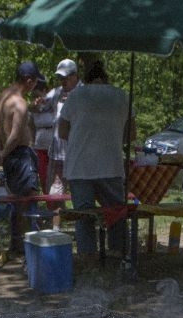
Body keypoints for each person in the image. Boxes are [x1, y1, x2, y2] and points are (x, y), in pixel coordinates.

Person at [57, 59, 135, 256]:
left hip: (80, 167)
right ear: (105, 77)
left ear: (86, 78)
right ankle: (119, 256)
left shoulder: (76, 96)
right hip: (111, 165)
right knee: (116, 214)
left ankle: (88, 260)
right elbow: (131, 134)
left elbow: (63, 132)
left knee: (84, 218)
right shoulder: (121, 96)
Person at [0, 61, 43, 250]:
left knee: (16, 198)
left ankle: (17, 240)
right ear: (28, 80)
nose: (36, 85)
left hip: (10, 155)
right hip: (20, 155)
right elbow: (15, 133)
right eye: (35, 81)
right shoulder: (20, 103)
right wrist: (4, 152)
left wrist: (0, 150)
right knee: (29, 198)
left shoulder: (4, 97)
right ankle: (31, 243)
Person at [47, 58, 80, 196]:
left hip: (77, 154)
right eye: (60, 77)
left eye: (65, 77)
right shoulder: (56, 93)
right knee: (54, 196)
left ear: (75, 76)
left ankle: (80, 218)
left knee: (80, 194)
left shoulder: (83, 93)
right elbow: (38, 106)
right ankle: (56, 217)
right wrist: (36, 104)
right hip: (57, 153)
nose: (63, 81)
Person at [30, 75, 56, 194]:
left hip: (53, 146)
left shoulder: (54, 102)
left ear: (45, 91)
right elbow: (31, 128)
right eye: (34, 96)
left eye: (38, 95)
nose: (36, 98)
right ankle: (49, 205)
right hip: (39, 146)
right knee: (44, 177)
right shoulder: (33, 107)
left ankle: (57, 206)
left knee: (54, 179)